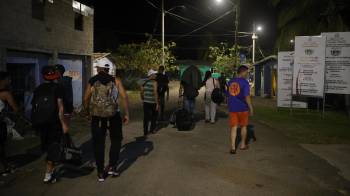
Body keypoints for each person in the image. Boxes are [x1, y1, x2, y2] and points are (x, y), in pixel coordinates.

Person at [83, 64, 129, 182]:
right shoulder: (116, 80)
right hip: (114, 115)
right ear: (108, 69)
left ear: (98, 69)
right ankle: (112, 166)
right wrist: (127, 114)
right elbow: (124, 96)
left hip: (97, 116)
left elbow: (85, 99)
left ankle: (100, 172)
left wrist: (87, 113)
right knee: (116, 139)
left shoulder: (93, 80)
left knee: (99, 143)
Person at [31, 66, 68, 183]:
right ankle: (48, 174)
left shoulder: (38, 89)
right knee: (54, 146)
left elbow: (34, 107)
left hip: (41, 123)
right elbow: (60, 108)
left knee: (47, 146)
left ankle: (50, 168)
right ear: (55, 76)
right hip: (54, 122)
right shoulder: (58, 88)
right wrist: (64, 124)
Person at [226, 65, 254, 154]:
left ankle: (233, 147)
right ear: (242, 72)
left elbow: (228, 94)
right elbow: (247, 97)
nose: (247, 74)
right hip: (243, 108)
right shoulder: (245, 83)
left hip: (233, 108)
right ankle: (242, 145)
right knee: (243, 126)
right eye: (247, 72)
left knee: (234, 127)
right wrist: (251, 108)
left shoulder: (230, 81)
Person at [0, 72, 19, 175]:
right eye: (8, 79)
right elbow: (16, 109)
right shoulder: (6, 93)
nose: (10, 81)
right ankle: (4, 168)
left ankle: (5, 165)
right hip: (0, 122)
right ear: (3, 80)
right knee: (1, 146)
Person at [140, 69, 159, 137]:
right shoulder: (155, 82)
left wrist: (143, 98)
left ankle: (145, 132)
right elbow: (155, 92)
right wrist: (157, 103)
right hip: (153, 102)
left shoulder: (143, 82)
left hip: (146, 102)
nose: (156, 75)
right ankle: (152, 129)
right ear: (151, 75)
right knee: (154, 116)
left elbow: (141, 91)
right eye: (155, 74)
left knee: (146, 117)